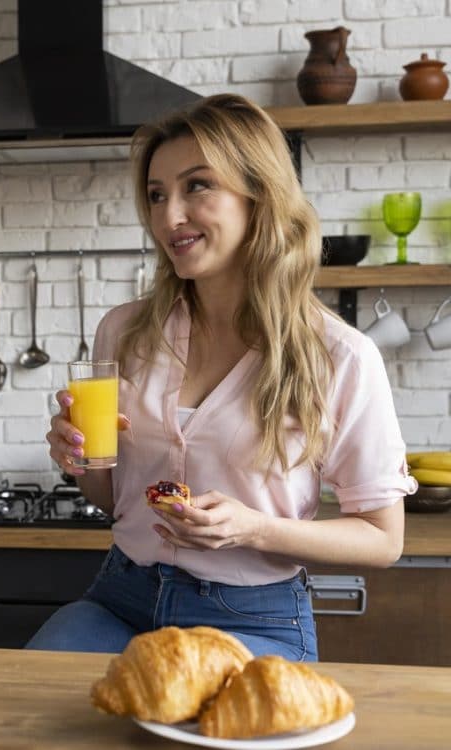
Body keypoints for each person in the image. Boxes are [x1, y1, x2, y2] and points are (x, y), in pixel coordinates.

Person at [29, 94, 415, 661]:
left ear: (259, 195)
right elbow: (113, 500)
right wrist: (80, 457)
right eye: (157, 195)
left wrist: (255, 529)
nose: (168, 217)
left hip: (254, 617)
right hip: (120, 599)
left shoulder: (339, 355)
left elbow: (384, 539)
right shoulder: (125, 332)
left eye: (197, 186)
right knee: (28, 719)